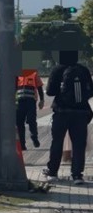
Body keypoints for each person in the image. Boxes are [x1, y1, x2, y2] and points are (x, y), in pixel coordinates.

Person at [42, 50, 93, 184]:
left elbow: (50, 92)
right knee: (79, 144)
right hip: (81, 112)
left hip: (61, 111)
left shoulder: (57, 69)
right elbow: (90, 91)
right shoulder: (83, 70)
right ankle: (77, 175)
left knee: (57, 142)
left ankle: (53, 172)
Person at [14, 69, 45, 150]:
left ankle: (34, 136)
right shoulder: (16, 76)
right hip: (19, 102)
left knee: (31, 120)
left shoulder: (34, 74)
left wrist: (42, 100)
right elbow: (13, 89)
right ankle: (22, 144)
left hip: (30, 101)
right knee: (19, 123)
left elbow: (39, 87)